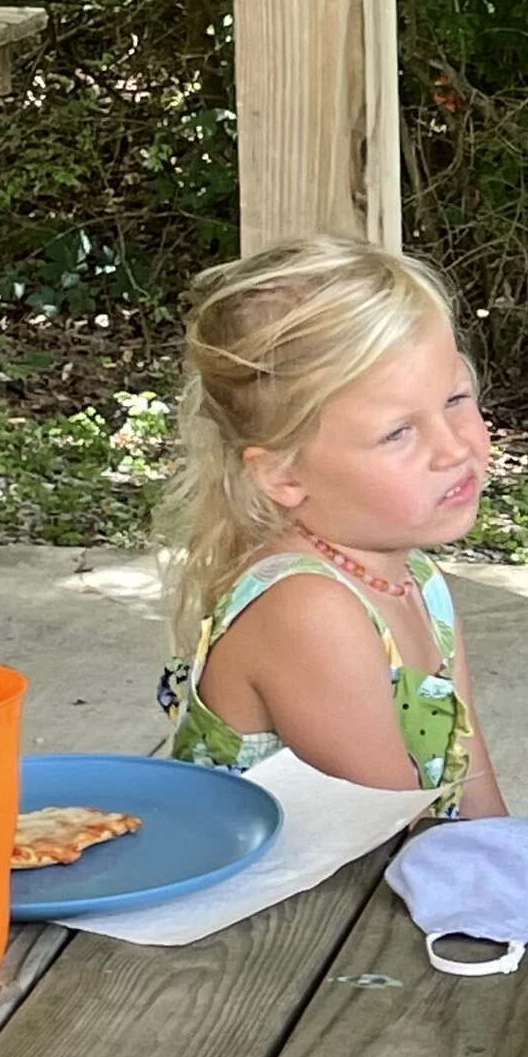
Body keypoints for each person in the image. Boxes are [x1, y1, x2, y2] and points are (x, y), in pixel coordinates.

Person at [157, 233, 506, 816]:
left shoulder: (416, 577)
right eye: (398, 432)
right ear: (283, 474)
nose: (453, 449)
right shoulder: (310, 609)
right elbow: (396, 829)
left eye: (454, 398)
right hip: (300, 905)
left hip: (385, 890)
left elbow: (474, 788)